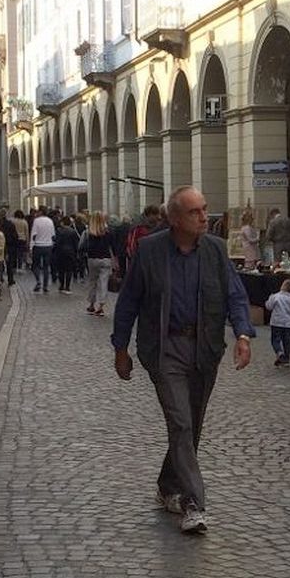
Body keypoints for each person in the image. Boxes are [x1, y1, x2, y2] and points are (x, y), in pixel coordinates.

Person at [112, 185, 256, 534]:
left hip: (204, 348)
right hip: (164, 350)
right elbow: (129, 301)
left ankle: (167, 485)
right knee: (180, 422)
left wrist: (242, 335)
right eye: (195, 212)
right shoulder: (149, 251)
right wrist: (121, 348)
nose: (205, 217)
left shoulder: (216, 250)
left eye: (205, 209)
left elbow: (235, 295)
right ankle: (194, 503)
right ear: (174, 219)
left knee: (192, 424)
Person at [84, 211, 114, 316]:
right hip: (105, 258)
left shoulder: (88, 232)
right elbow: (112, 246)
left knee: (92, 281)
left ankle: (91, 305)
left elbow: (82, 246)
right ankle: (101, 306)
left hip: (92, 259)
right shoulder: (108, 231)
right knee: (103, 282)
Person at [30, 207, 55, 293]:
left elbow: (33, 235)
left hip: (38, 245)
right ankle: (45, 285)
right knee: (46, 267)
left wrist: (31, 247)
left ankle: (38, 281)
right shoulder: (50, 221)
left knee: (35, 265)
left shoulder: (36, 221)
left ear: (40, 212)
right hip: (48, 245)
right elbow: (53, 235)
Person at [54, 216, 81, 294]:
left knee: (61, 270)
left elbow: (56, 242)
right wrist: (77, 253)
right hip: (70, 252)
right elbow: (76, 244)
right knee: (69, 270)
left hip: (60, 252)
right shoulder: (72, 231)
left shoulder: (59, 230)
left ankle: (61, 285)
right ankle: (67, 287)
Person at [0, 210, 19, 285]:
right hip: (9, 246)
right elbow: (15, 236)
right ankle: (10, 279)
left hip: (0, 245)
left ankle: (0, 277)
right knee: (9, 264)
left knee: (0, 262)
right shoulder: (10, 224)